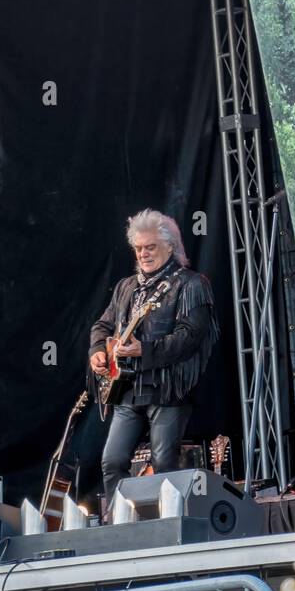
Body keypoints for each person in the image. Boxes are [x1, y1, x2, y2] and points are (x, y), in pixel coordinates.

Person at [89, 209, 218, 505]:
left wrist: (144, 350)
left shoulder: (191, 284)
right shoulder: (126, 288)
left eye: (151, 247)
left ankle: (171, 525)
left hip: (167, 390)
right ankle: (118, 527)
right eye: (138, 248)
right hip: (127, 389)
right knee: (112, 461)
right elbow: (102, 325)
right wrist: (98, 351)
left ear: (170, 246)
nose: (143, 254)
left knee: (163, 462)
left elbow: (190, 338)